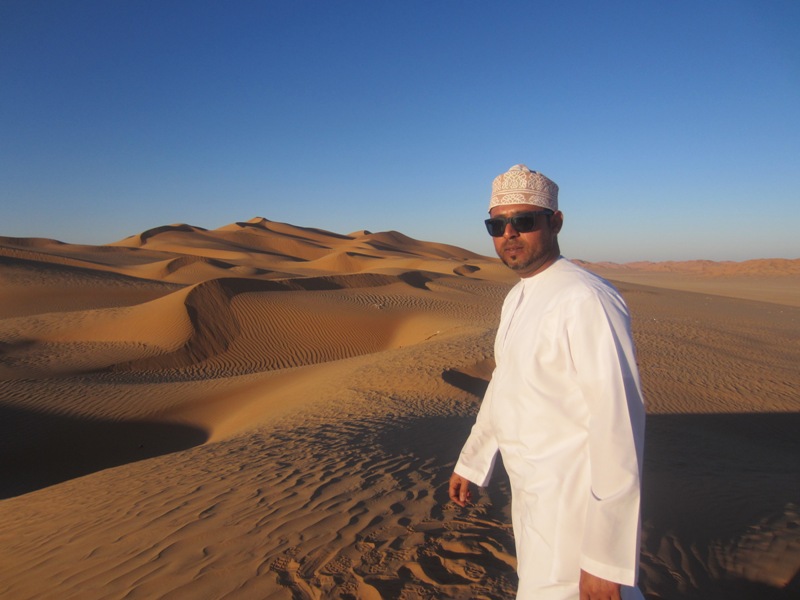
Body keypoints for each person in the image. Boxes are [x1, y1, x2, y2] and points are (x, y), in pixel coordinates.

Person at [449, 164, 646, 600]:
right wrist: (474, 458)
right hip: (533, 499)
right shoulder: (518, 296)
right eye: (497, 224)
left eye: (524, 221)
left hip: (577, 513)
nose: (509, 234)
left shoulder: (586, 298)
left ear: (555, 222)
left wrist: (604, 558)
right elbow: (506, 383)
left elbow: (618, 424)